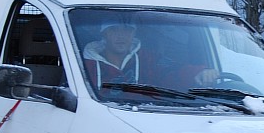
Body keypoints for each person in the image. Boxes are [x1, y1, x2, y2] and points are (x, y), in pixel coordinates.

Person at [81, 18, 219, 90]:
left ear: (133, 34)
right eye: (114, 30)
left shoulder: (148, 59)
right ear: (104, 34)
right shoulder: (85, 63)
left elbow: (173, 70)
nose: (121, 36)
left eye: (127, 30)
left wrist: (200, 72)